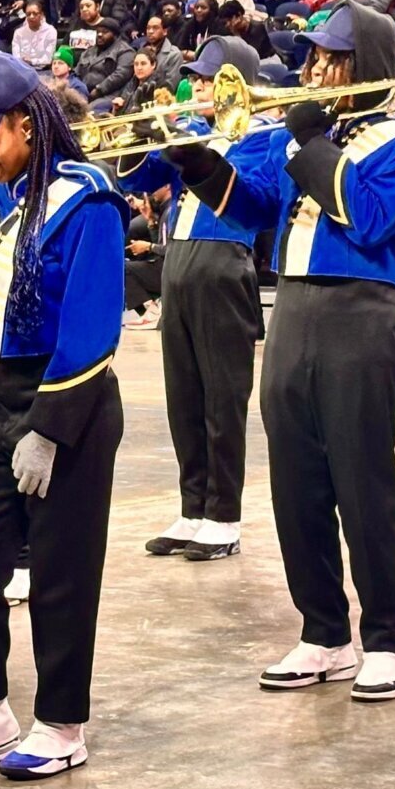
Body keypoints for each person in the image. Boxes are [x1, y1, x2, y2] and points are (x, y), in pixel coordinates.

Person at [166, 3, 395, 700]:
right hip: (291, 305)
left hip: (359, 311)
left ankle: (388, 639)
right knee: (296, 486)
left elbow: (372, 214)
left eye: (332, 60)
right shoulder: (307, 131)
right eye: (315, 58)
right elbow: (257, 208)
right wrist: (199, 163)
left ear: (369, 67)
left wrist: (310, 141)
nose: (316, 70)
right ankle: (323, 631)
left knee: (363, 486)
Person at [0, 53, 124, 780]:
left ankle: (63, 723)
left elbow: (93, 321)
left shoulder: (88, 198)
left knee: (63, 574)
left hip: (70, 399)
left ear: (27, 123)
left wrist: (49, 426)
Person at [115, 38, 267, 562]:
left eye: (209, 79)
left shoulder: (259, 135)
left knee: (222, 399)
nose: (197, 86)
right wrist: (141, 134)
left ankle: (224, 516)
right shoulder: (193, 131)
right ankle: (193, 508)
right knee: (184, 397)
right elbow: (139, 175)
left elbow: (253, 197)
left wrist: (201, 151)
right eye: (197, 78)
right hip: (179, 262)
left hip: (225, 262)